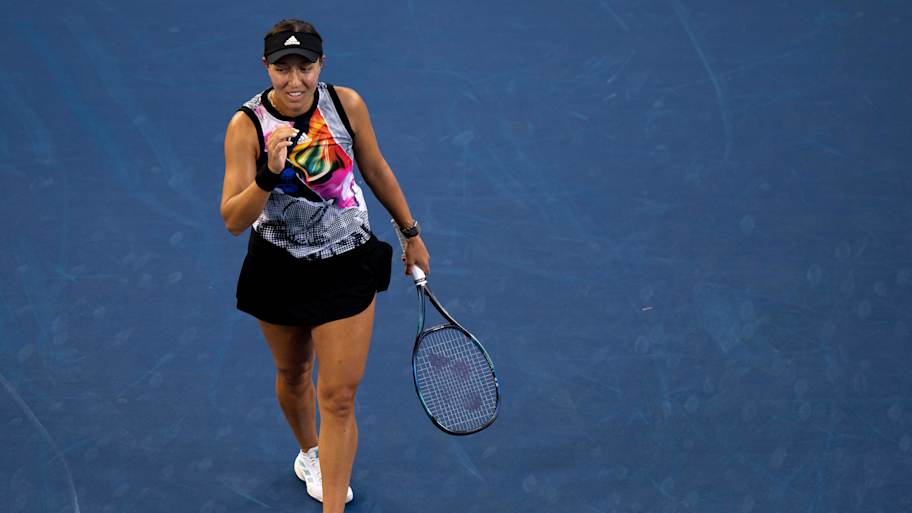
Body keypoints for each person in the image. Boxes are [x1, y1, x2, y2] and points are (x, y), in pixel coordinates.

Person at [219, 19, 430, 513]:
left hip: (346, 263)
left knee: (337, 397)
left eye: (305, 67)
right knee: (294, 374)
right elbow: (233, 219)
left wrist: (410, 232)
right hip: (278, 270)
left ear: (321, 65)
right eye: (282, 68)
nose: (295, 81)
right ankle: (310, 453)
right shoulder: (246, 126)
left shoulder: (345, 105)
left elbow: (374, 168)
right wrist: (268, 175)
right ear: (266, 67)